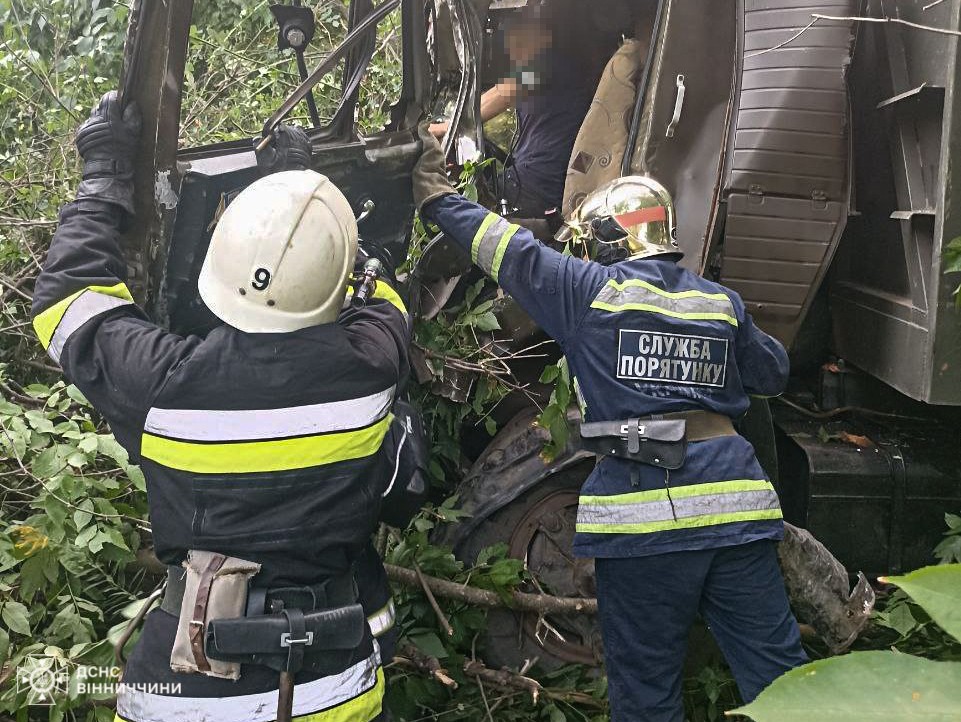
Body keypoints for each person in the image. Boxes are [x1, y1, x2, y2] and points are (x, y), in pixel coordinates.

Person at [31, 92, 408, 722]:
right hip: (334, 693)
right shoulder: (371, 368)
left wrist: (100, 187)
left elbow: (66, 306)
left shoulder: (164, 389)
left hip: (183, 698)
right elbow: (380, 294)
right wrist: (305, 224)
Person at [411, 125, 808, 721]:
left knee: (647, 694)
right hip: (737, 515)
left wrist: (437, 199)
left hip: (644, 522)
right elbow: (772, 372)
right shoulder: (719, 303)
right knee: (782, 683)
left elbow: (509, 250)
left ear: (609, 240)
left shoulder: (591, 293)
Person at [430, 0, 616, 218]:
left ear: (546, 36)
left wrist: (443, 128)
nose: (510, 43)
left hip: (538, 185)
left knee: (454, 209)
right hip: (540, 178)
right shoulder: (561, 67)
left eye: (521, 31)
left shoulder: (547, 64)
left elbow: (500, 94)